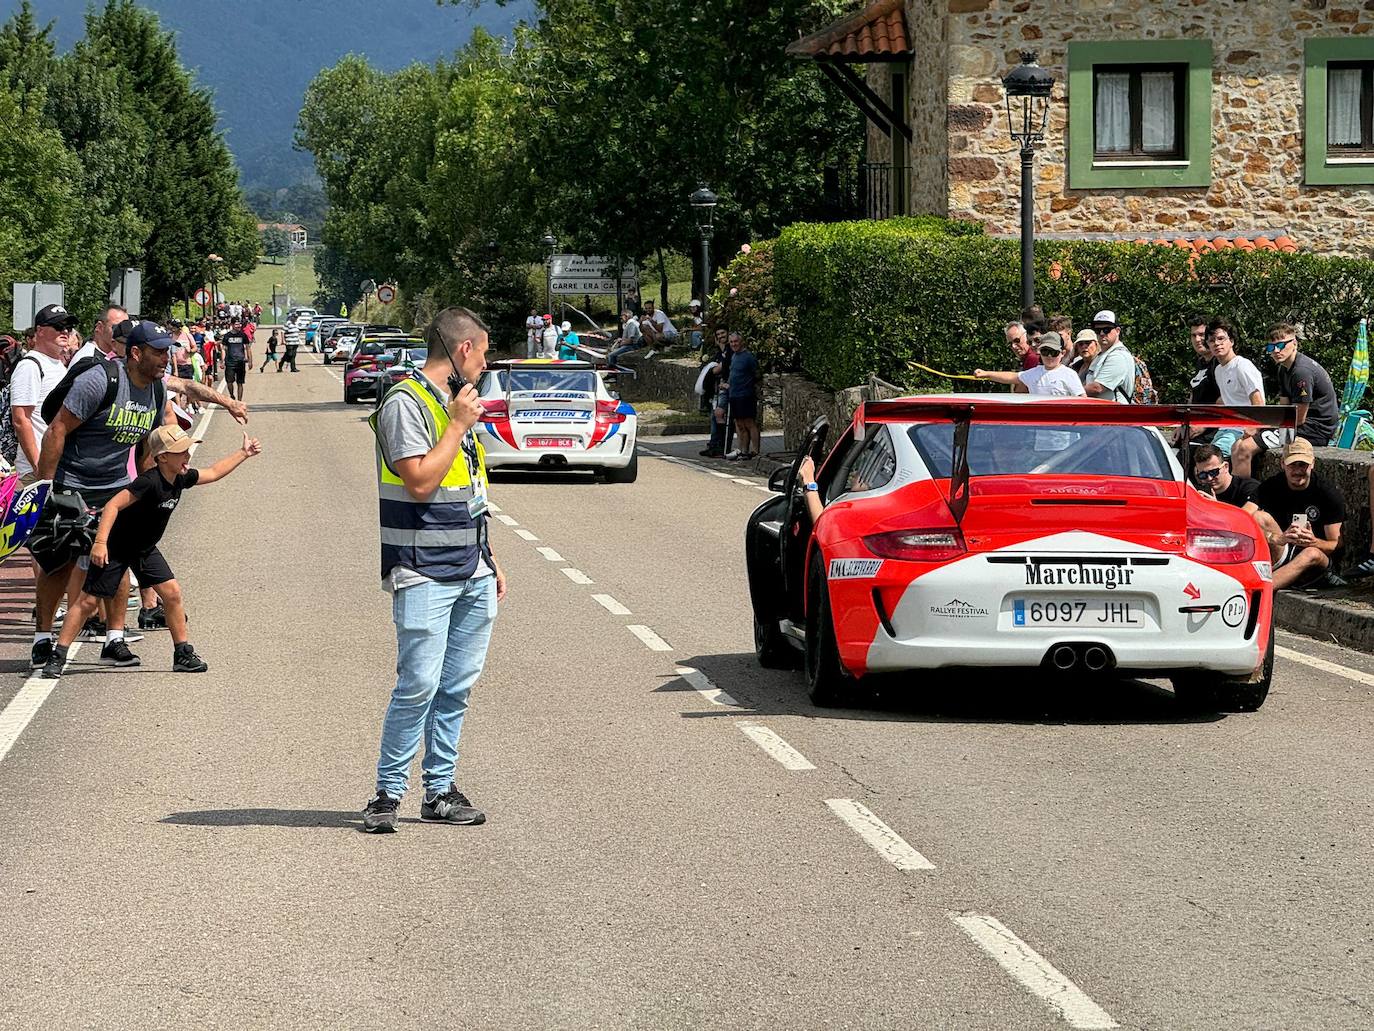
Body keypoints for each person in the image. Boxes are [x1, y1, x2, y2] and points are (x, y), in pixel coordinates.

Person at [362, 306, 507, 834]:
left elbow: (469, 494)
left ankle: (439, 790)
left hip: (470, 568)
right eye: (484, 351)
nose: (485, 362)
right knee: (419, 683)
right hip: (422, 566)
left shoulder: (451, 405)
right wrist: (458, 424)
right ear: (463, 349)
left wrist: (489, 560)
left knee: (456, 686)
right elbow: (421, 482)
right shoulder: (406, 402)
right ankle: (386, 793)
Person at [40, 425, 262, 679]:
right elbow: (113, 505)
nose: (187, 455)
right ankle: (57, 656)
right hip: (117, 547)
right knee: (88, 601)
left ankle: (183, 653)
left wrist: (243, 453)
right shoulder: (149, 482)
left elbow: (212, 472)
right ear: (162, 456)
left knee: (172, 593)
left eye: (187, 449)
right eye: (180, 452)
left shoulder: (181, 477)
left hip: (144, 548)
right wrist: (100, 543)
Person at [28, 321, 178, 671]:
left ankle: (114, 640)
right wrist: (45, 489)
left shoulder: (156, 391)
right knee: (59, 565)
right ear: (136, 353)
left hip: (115, 485)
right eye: (157, 352)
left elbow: (145, 447)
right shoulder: (101, 380)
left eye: (167, 351)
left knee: (118, 560)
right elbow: (57, 430)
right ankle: (41, 638)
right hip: (71, 483)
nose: (164, 359)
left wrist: (143, 489)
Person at [1254, 438, 1344, 590]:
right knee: (1258, 517)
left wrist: (1313, 541)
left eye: (1302, 464)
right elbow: (1246, 517)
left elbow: (1337, 545)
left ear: (1312, 464)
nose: (1297, 470)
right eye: (1292, 465)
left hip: (1317, 558)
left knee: (1310, 553)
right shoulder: (1270, 487)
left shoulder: (1327, 494)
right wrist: (1278, 538)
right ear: (1282, 464)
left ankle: (1260, 590)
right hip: (1283, 553)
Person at [10, 305, 75, 484]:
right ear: (39, 330)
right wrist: (39, 466)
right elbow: (21, 419)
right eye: (58, 327)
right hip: (36, 473)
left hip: (57, 468)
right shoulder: (30, 366)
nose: (65, 332)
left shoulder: (59, 366)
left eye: (68, 328)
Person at [1207, 318, 1266, 468]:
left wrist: (1252, 428)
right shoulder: (1218, 370)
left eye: (1221, 338)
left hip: (1242, 430)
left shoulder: (1242, 365)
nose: (1217, 343)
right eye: (1212, 340)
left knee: (1212, 461)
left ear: (1231, 341)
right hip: (1226, 428)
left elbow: (1258, 400)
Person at [974, 331, 1085, 396]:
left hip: (1065, 433)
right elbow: (1012, 377)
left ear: (1062, 353)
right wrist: (986, 374)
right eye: (1045, 351)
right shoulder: (1034, 373)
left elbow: (1083, 400)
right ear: (1039, 352)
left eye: (1054, 352)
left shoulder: (1069, 374)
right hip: (1039, 432)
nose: (1049, 356)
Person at [1191, 444, 1260, 514]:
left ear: (1226, 467)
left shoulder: (1250, 488)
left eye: (1213, 472)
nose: (1209, 478)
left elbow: (1245, 518)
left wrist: (1217, 508)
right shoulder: (1198, 492)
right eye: (1203, 475)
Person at [1083, 310, 1135, 403]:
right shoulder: (1102, 355)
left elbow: (1097, 388)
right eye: (1098, 330)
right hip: (1101, 412)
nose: (1102, 333)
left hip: (1114, 413)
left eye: (1106, 330)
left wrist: (1071, 393)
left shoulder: (1118, 356)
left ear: (1117, 331)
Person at [723, 332, 760, 461]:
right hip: (734, 395)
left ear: (741, 342)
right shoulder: (734, 356)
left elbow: (756, 374)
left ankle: (755, 450)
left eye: (736, 341)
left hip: (746, 395)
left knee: (749, 422)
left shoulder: (748, 357)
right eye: (731, 342)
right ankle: (744, 451)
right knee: (739, 424)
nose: (734, 344)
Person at [699, 327, 732, 457]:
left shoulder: (730, 351)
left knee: (720, 415)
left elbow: (718, 369)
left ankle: (722, 446)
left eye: (723, 333)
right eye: (718, 334)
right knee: (715, 416)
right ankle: (713, 444)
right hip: (719, 388)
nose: (720, 336)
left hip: (727, 388)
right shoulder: (720, 352)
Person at [1187, 316, 1219, 404]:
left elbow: (1228, 397)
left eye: (1201, 335)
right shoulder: (1200, 363)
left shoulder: (1220, 363)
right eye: (1194, 335)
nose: (1197, 339)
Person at [220, 319, 252, 398]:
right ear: (232, 325)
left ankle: (239, 401)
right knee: (229, 382)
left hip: (240, 362)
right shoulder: (227, 336)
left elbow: (248, 348)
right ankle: (231, 394)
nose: (239, 326)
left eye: (239, 324)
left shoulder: (243, 335)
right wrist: (222, 361)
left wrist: (250, 360)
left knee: (240, 382)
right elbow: (223, 349)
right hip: (230, 362)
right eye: (237, 324)